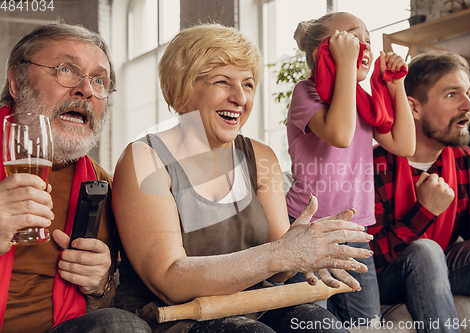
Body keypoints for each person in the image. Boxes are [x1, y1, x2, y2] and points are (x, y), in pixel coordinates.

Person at [112, 23, 375, 333]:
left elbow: (277, 271)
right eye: (223, 82)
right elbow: (169, 279)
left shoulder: (260, 156)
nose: (240, 98)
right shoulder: (146, 157)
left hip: (255, 308)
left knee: (319, 325)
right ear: (182, 87)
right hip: (176, 318)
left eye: (248, 84)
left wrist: (301, 250)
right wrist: (280, 253)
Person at [0, 23, 151, 333]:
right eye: (66, 70)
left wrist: (98, 286)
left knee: (122, 326)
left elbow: (110, 303)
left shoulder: (101, 184)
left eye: (99, 80)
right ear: (16, 81)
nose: (86, 89)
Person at [285, 11, 415, 325]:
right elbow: (340, 135)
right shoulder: (306, 93)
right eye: (353, 38)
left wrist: (395, 85)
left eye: (368, 40)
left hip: (355, 232)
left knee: (367, 323)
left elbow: (403, 145)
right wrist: (345, 65)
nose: (365, 46)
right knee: (319, 323)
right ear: (324, 52)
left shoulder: (363, 101)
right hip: (308, 230)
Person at [368, 50, 470, 332]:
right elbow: (368, 259)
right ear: (413, 108)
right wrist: (423, 212)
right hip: (389, 278)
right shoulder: (373, 166)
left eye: (468, 93)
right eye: (452, 95)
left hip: (444, 269)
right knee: (426, 251)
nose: (469, 105)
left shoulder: (467, 159)